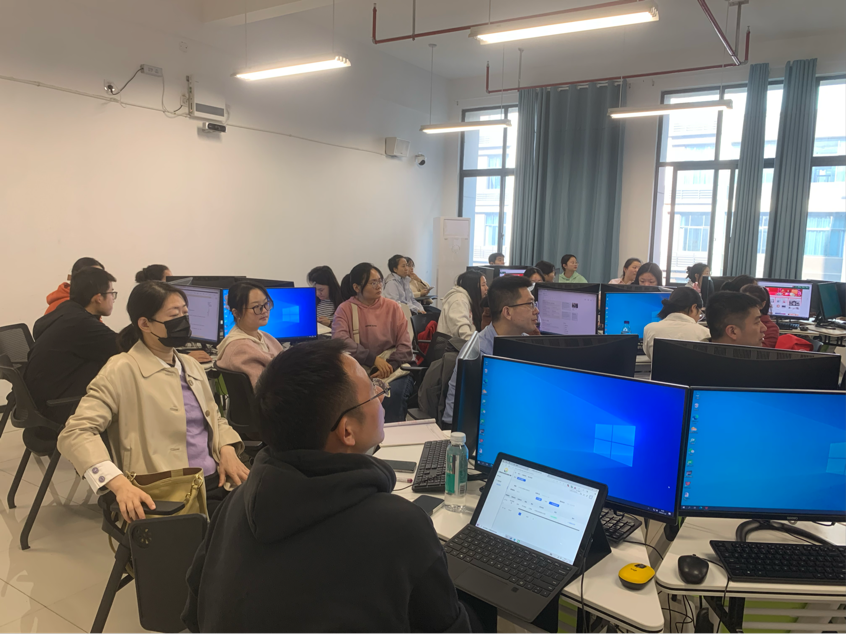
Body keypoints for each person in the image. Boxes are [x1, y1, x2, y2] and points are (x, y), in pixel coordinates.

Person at [181, 340, 472, 633]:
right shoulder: (402, 526)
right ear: (347, 431)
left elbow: (194, 615)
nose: (382, 396)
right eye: (373, 391)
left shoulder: (235, 504)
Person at [57, 281, 248, 522]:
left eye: (185, 313)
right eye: (174, 315)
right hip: (168, 493)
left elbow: (215, 417)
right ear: (145, 324)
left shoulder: (190, 365)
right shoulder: (121, 370)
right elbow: (76, 432)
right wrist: (117, 483)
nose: (183, 320)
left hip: (217, 478)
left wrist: (227, 449)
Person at [24, 268, 121, 451]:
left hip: (39, 407)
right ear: (98, 298)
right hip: (58, 411)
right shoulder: (82, 324)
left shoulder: (65, 311)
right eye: (111, 293)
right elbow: (126, 348)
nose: (113, 299)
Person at [443, 276, 539, 427]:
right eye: (530, 304)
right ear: (507, 312)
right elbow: (453, 419)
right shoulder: (477, 353)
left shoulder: (529, 346)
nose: (536, 310)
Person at [333, 263, 414, 423]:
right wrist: (373, 359)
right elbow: (340, 340)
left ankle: (393, 435)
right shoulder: (345, 309)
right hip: (360, 368)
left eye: (380, 281)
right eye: (373, 283)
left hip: (394, 368)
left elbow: (405, 346)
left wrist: (388, 366)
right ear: (356, 287)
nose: (379, 286)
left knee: (391, 395)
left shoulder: (393, 307)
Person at [216, 282, 284, 387]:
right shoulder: (240, 349)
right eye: (256, 307)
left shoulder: (265, 337)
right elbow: (263, 391)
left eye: (266, 304)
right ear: (236, 313)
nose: (264, 310)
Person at [642, 287, 710, 360]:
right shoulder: (705, 333)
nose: (699, 317)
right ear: (693, 308)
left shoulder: (649, 329)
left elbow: (651, 357)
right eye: (700, 312)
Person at [437, 270, 487, 341]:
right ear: (473, 286)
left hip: (461, 345)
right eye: (483, 285)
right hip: (453, 346)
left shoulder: (468, 299)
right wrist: (480, 345)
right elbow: (464, 335)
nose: (487, 288)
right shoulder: (459, 301)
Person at [741, 283, 779, 348]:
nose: (746, 307)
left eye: (751, 304)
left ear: (763, 304)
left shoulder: (771, 328)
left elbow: (761, 351)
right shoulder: (732, 319)